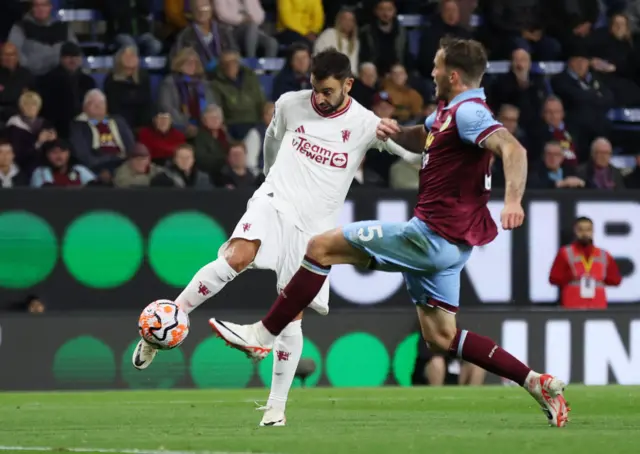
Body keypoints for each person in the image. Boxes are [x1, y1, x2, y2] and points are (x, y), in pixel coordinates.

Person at [208, 38, 570, 428]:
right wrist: (390, 131)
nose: (430, 73)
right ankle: (536, 381)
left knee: (320, 246)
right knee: (440, 337)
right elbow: (422, 136)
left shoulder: (470, 113)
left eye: (435, 66)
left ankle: (262, 333)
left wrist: (512, 200)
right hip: (451, 247)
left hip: (429, 236)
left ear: (452, 74)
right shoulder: (448, 113)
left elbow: (513, 149)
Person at [131, 48, 422, 427]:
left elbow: (415, 158)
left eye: (329, 91)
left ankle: (276, 408)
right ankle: (162, 329)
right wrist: (269, 179)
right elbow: (272, 141)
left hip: (314, 228)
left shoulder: (366, 123)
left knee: (291, 313)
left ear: (349, 85)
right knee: (236, 256)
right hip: (275, 200)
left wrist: (413, 132)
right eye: (315, 88)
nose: (319, 98)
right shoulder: (290, 103)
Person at [549, 216, 622, 309]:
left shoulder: (604, 254)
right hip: (572, 304)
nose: (584, 233)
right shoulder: (565, 253)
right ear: (575, 231)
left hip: (597, 305)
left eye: (588, 230)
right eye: (580, 230)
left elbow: (616, 280)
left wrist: (599, 278)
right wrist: (569, 276)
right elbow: (553, 278)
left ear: (593, 231)